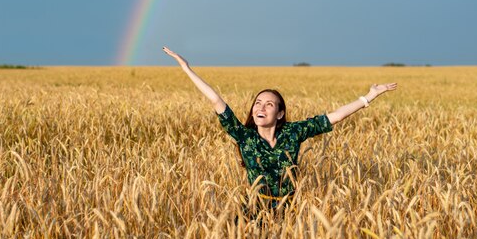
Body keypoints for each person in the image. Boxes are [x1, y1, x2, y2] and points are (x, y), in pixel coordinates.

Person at [163, 46, 397, 211]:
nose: (260, 107)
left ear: (280, 113)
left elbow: (334, 116)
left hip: (291, 213)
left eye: (269, 104)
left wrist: (369, 96)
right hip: (254, 214)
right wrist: (186, 69)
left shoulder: (293, 133)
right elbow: (216, 101)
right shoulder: (244, 136)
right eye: (257, 103)